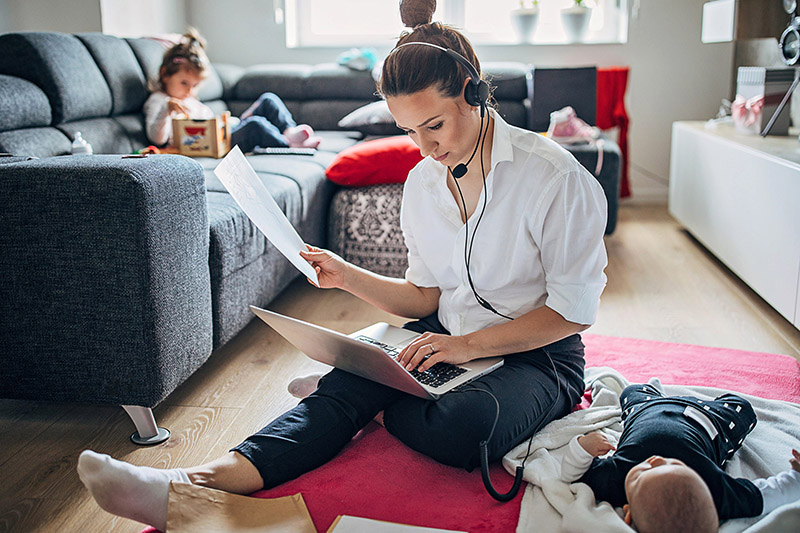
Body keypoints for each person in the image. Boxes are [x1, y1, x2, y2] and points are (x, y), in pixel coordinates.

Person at [77, 1, 608, 530]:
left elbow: (572, 313)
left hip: (539, 356)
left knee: (463, 428)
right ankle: (190, 481)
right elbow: (424, 297)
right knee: (350, 386)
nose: (424, 147)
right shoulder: (423, 181)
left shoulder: (555, 179)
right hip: (443, 334)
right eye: (409, 131)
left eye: (434, 125)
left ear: (475, 93)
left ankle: (363, 398)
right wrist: (345, 275)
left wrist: (464, 348)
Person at [561, 382, 800, 532]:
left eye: (644, 472)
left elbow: (573, 474)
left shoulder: (615, 481)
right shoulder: (718, 492)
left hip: (645, 410)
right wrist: (797, 476)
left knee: (631, 391)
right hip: (709, 420)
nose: (655, 459)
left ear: (628, 510)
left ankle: (654, 394)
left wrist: (582, 447)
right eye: (675, 464)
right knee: (742, 408)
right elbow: (773, 494)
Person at [143, 28, 320, 152]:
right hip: (217, 145)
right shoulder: (159, 100)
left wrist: (227, 123)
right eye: (184, 83)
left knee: (268, 100)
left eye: (195, 85)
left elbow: (209, 118)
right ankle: (288, 145)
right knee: (255, 125)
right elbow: (156, 138)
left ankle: (289, 131)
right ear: (165, 75)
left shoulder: (188, 98)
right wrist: (167, 109)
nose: (190, 90)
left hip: (224, 130)